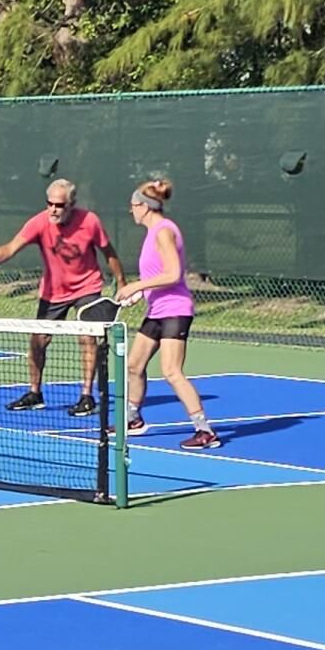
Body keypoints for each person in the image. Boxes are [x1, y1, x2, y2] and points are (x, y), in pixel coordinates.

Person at [0, 178, 123, 416]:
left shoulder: (90, 222)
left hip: (87, 286)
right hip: (53, 292)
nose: (53, 209)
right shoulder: (39, 222)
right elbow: (10, 248)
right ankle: (34, 393)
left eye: (59, 205)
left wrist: (122, 283)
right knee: (38, 341)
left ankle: (87, 396)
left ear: (71, 204)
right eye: (50, 204)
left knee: (87, 338)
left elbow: (109, 252)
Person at [117, 178, 220, 449]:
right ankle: (133, 419)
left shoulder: (164, 231)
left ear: (144, 206)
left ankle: (205, 431)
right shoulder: (153, 233)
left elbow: (174, 274)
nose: (131, 211)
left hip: (175, 310)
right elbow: (157, 275)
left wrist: (136, 285)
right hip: (157, 310)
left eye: (133, 205)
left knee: (172, 371)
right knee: (134, 365)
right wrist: (141, 293)